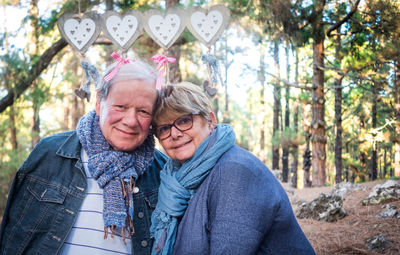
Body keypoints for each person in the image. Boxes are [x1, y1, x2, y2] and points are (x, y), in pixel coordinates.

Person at [0, 53, 167, 255]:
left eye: (143, 111)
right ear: (99, 103)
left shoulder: (164, 172)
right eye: (120, 107)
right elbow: (11, 238)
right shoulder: (50, 154)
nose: (131, 120)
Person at [149, 82, 315, 255]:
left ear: (210, 121)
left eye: (184, 120)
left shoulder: (235, 171)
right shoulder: (178, 181)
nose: (175, 134)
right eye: (164, 128)